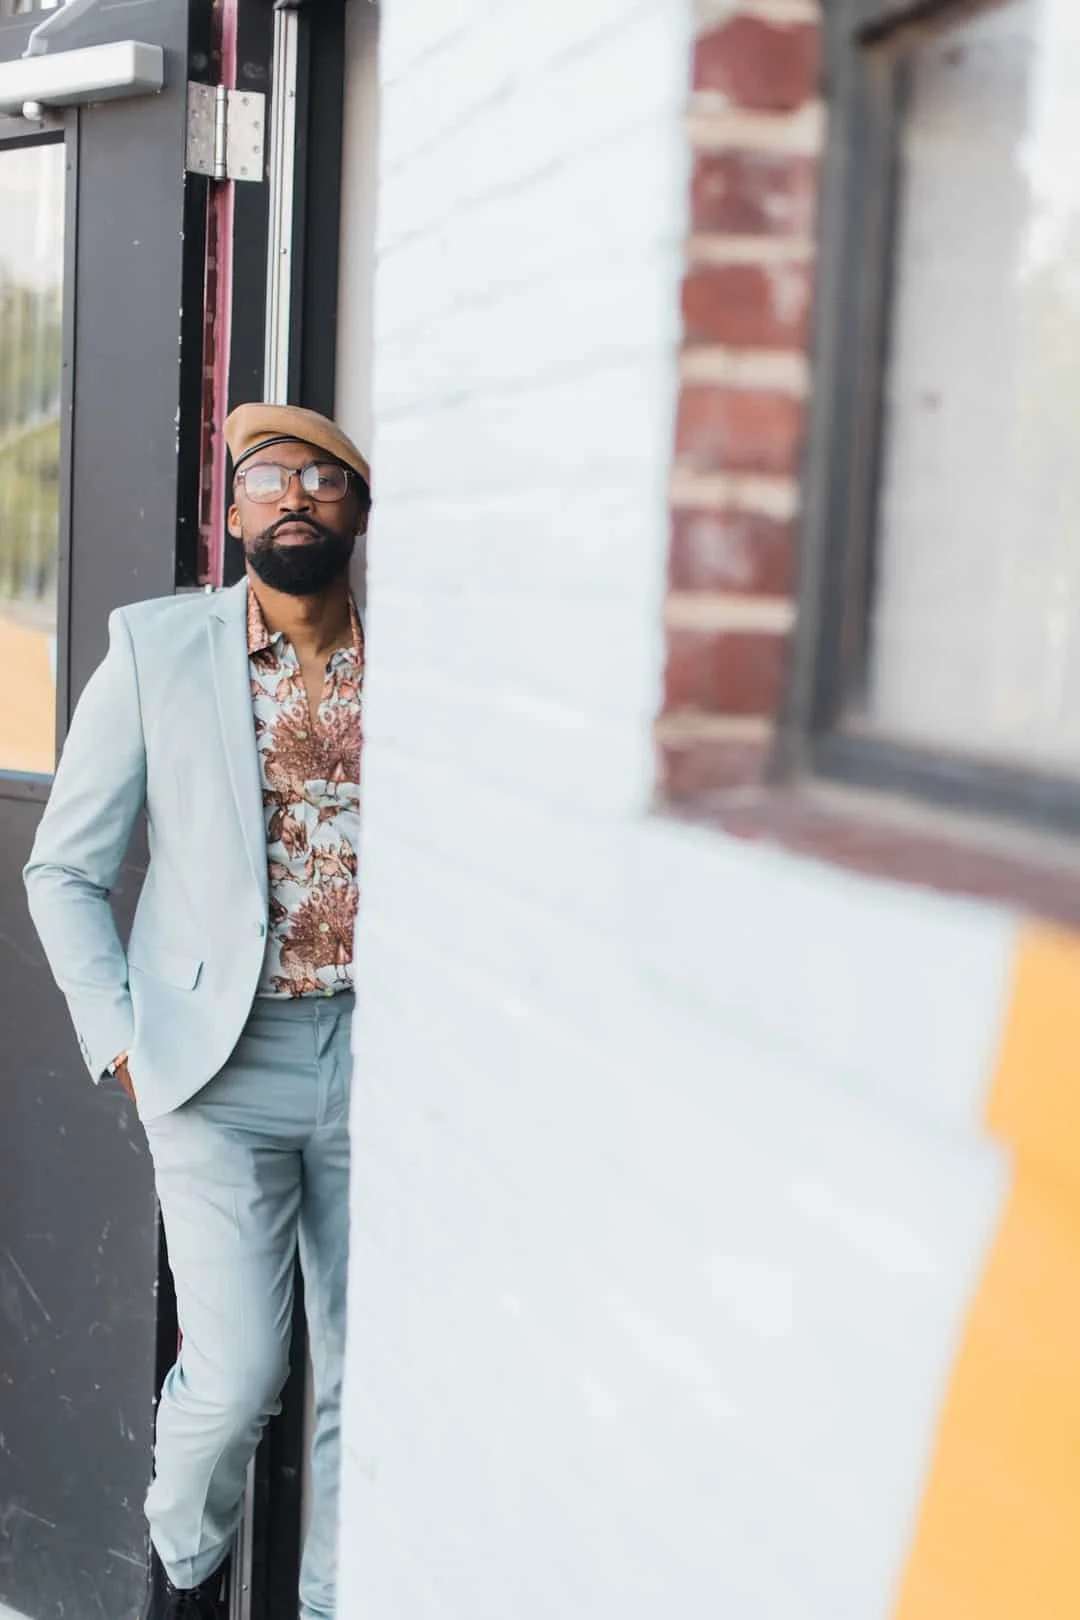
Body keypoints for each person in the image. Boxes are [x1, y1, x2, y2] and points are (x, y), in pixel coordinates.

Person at [24, 403, 370, 1620]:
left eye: (321, 481)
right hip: (216, 1069)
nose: (294, 499)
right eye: (269, 481)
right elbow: (62, 869)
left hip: (386, 1064)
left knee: (366, 1379)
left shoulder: (420, 665)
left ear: (356, 513)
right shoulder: (159, 650)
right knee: (237, 1377)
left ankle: (331, 1602)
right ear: (232, 517)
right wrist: (120, 1037)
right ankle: (182, 1583)